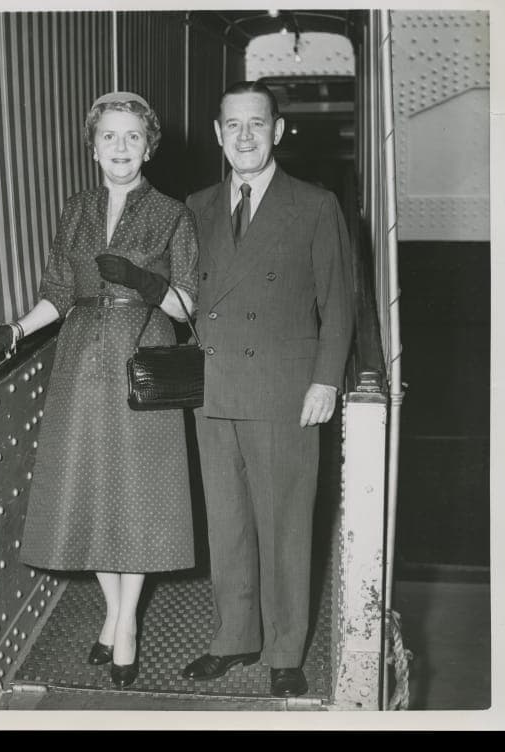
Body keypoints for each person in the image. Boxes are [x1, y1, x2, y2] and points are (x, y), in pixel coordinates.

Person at [0, 91, 198, 690]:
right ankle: (117, 613)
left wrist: (145, 282)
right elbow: (57, 294)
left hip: (143, 356)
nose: (122, 148)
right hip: (82, 361)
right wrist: (11, 331)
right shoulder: (77, 209)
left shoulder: (173, 212)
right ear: (92, 146)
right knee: (90, 490)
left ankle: (124, 628)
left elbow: (188, 305)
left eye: (134, 137)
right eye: (110, 137)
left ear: (150, 145)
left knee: (138, 495)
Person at [181, 81, 354, 698]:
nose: (245, 136)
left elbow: (339, 304)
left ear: (278, 131)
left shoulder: (314, 204)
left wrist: (325, 380)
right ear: (218, 134)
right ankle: (233, 636)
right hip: (214, 387)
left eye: (258, 124)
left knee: (284, 525)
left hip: (284, 390)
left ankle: (284, 648)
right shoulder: (196, 206)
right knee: (226, 524)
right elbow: (187, 299)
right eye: (234, 126)